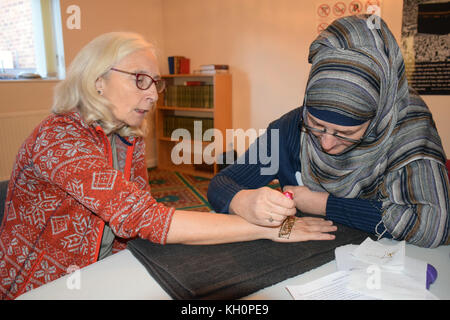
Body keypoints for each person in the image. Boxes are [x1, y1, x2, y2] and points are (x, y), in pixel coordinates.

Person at [0, 32, 337, 300]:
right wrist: (268, 229)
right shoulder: (59, 136)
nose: (154, 95)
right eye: (139, 79)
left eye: (155, 82)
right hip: (42, 284)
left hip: (103, 270)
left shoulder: (127, 138)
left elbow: (143, 218)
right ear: (96, 80)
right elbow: (143, 218)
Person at [208, 15, 450, 249]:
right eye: (315, 124)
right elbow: (221, 184)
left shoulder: (408, 129)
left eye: (345, 132)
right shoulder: (291, 128)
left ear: (377, 118)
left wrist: (323, 204)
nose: (325, 143)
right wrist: (242, 201)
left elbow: (434, 224)